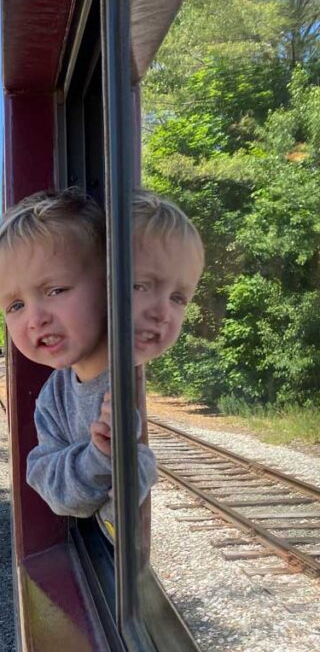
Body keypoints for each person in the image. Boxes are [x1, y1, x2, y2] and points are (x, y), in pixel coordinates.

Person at [0, 188, 156, 540]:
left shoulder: (139, 369)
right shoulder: (54, 395)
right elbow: (49, 483)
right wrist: (97, 457)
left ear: (111, 287)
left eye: (56, 290)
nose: (35, 318)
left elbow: (145, 468)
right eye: (15, 306)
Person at [90, 190, 205, 458]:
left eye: (178, 298)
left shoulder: (131, 374)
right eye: (140, 286)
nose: (163, 312)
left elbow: (141, 478)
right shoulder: (65, 386)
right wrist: (100, 455)